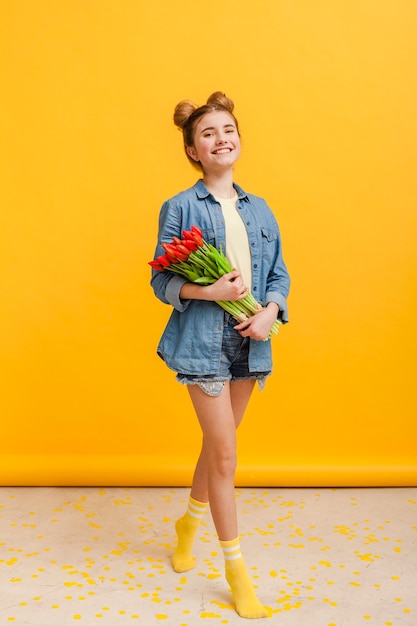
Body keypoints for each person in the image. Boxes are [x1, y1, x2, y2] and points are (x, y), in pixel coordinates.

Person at [150, 91, 290, 619]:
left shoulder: (261, 209)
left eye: (227, 129)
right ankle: (236, 571)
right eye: (207, 134)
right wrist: (211, 293)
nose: (220, 139)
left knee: (216, 449)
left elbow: (279, 274)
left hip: (251, 343)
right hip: (203, 342)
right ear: (193, 150)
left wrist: (270, 311)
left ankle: (188, 523)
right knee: (227, 456)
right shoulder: (180, 207)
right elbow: (161, 279)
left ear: (239, 138)